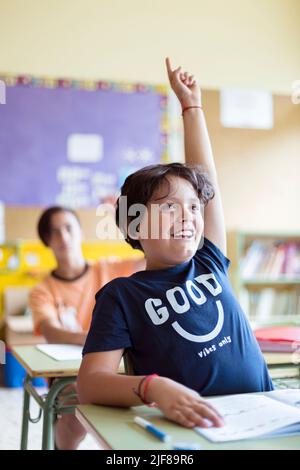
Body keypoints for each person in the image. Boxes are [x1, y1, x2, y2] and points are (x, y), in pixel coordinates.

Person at [77, 58, 273, 431]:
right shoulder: (121, 296)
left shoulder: (209, 260)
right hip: (195, 431)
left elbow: (206, 178)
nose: (188, 216)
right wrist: (154, 388)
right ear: (134, 223)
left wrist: (192, 107)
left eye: (194, 207)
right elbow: (90, 384)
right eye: (169, 207)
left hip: (262, 416)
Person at [29, 206, 143, 449]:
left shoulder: (108, 269)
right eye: (55, 232)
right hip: (70, 374)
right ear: (47, 241)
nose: (64, 237)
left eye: (69, 228)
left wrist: (128, 216)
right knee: (77, 410)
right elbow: (50, 331)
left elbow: (150, 256)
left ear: (81, 232)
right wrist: (98, 340)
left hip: (120, 367)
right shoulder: (42, 290)